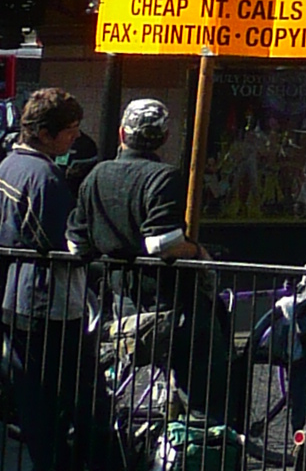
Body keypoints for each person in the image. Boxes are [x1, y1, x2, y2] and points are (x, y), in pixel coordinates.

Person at [67, 96, 239, 432]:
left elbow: (76, 243)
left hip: (123, 301)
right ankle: (206, 451)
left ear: (121, 134)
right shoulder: (164, 178)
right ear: (163, 137)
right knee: (207, 388)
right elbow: (161, 243)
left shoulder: (97, 175)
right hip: (174, 303)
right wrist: (198, 251)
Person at [0, 89, 126, 471]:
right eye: (71, 130)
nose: (76, 137)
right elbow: (59, 243)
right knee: (81, 392)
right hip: (48, 300)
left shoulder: (8, 166)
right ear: (47, 133)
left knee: (34, 394)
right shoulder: (45, 177)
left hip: (16, 295)